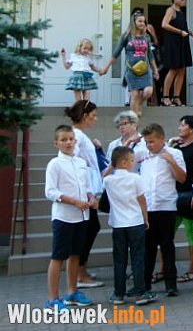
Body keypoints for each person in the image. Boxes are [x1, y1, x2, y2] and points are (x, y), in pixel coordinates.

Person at [44, 125, 97, 312]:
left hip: (81, 217)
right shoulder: (55, 164)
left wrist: (91, 198)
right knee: (58, 257)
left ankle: (72, 293)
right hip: (63, 218)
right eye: (64, 139)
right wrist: (74, 202)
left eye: (71, 139)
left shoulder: (80, 162)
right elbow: (50, 192)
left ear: (76, 141)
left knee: (75, 255)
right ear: (56, 143)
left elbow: (86, 186)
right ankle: (52, 300)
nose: (68, 142)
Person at [102, 146, 157, 306]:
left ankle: (118, 294)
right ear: (124, 162)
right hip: (135, 222)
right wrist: (146, 218)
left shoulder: (108, 180)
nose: (134, 163)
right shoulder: (136, 178)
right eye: (132, 160)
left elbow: (103, 176)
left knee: (119, 259)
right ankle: (140, 292)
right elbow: (142, 200)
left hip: (118, 224)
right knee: (138, 257)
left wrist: (111, 166)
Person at [138, 123, 187, 297]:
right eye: (146, 142)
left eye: (152, 141)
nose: (149, 145)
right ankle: (145, 284)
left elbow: (182, 178)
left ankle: (171, 284)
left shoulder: (175, 153)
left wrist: (171, 162)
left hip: (166, 206)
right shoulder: (142, 154)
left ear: (161, 139)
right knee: (148, 248)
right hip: (147, 207)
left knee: (167, 245)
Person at [64, 100, 104, 290]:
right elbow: (75, 161)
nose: (95, 119)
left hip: (86, 189)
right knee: (88, 229)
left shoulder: (79, 135)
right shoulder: (77, 136)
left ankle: (82, 270)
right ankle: (79, 273)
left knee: (91, 227)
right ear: (84, 116)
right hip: (82, 191)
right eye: (93, 116)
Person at [167, 115, 193, 284]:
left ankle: (192, 270)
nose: (179, 128)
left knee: (192, 231)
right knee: (167, 233)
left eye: (183, 125)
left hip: (190, 195)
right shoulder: (176, 147)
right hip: (172, 194)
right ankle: (164, 269)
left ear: (192, 129)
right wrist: (170, 145)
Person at [101, 11, 160, 117]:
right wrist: (106, 68)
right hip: (132, 70)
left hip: (145, 70)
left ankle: (137, 105)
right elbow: (116, 53)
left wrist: (155, 70)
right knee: (135, 95)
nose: (142, 23)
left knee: (148, 92)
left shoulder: (146, 36)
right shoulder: (126, 36)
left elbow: (150, 55)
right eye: (140, 21)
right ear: (134, 22)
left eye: (144, 21)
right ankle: (134, 119)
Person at [161, 0, 192, 107]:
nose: (183, 1)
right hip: (174, 43)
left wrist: (189, 32)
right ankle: (165, 97)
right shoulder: (171, 10)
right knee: (173, 69)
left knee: (182, 69)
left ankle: (176, 97)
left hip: (182, 43)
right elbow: (164, 24)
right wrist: (180, 32)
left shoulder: (181, 12)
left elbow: (180, 26)